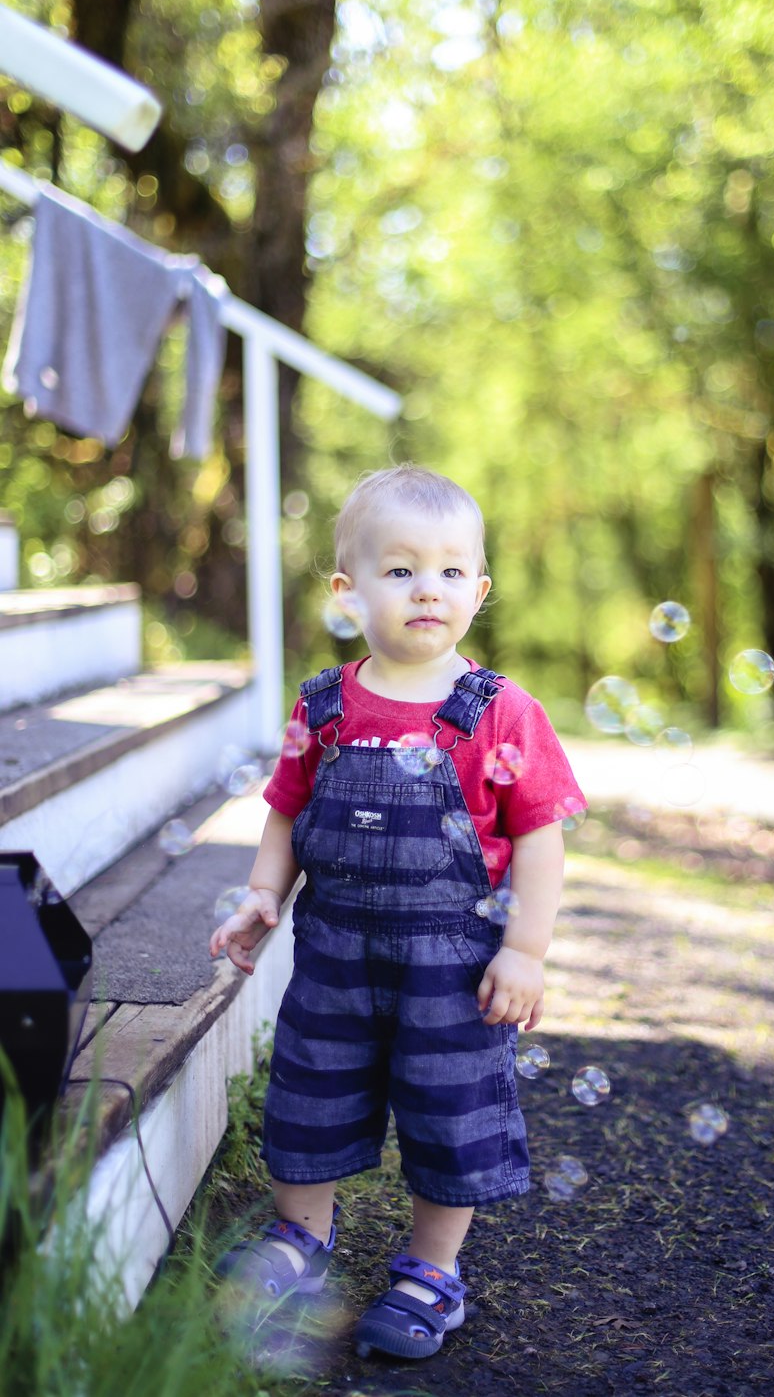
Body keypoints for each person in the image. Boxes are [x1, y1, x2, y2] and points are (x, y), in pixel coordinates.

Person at [209, 463, 586, 1361]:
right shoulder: (324, 704)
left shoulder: (501, 714)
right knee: (310, 1092)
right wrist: (267, 891)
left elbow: (540, 839)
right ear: (348, 592)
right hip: (336, 955)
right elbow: (289, 810)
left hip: (452, 965)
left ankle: (429, 1272)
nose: (429, 588)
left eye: (452, 571)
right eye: (401, 569)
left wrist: (525, 951)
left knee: (449, 1110)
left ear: (480, 591)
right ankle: (300, 1236)